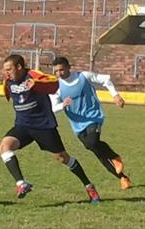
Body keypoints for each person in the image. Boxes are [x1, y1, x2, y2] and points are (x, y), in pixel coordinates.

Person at [0, 54, 100, 203]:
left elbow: (54, 83)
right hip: (22, 126)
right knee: (4, 147)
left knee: (62, 158)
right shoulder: (8, 81)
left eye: (9, 69)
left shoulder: (32, 75)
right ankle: (21, 184)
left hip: (43, 126)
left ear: (19, 67)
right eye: (4, 69)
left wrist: (37, 85)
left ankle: (89, 186)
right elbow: (9, 92)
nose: (6, 72)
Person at [50, 56, 131, 190]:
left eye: (62, 70)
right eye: (56, 71)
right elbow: (53, 107)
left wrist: (115, 95)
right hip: (77, 123)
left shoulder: (84, 76)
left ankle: (115, 157)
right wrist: (62, 105)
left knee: (92, 142)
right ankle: (122, 177)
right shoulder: (57, 87)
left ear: (69, 67)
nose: (59, 73)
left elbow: (106, 80)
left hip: (93, 116)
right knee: (95, 150)